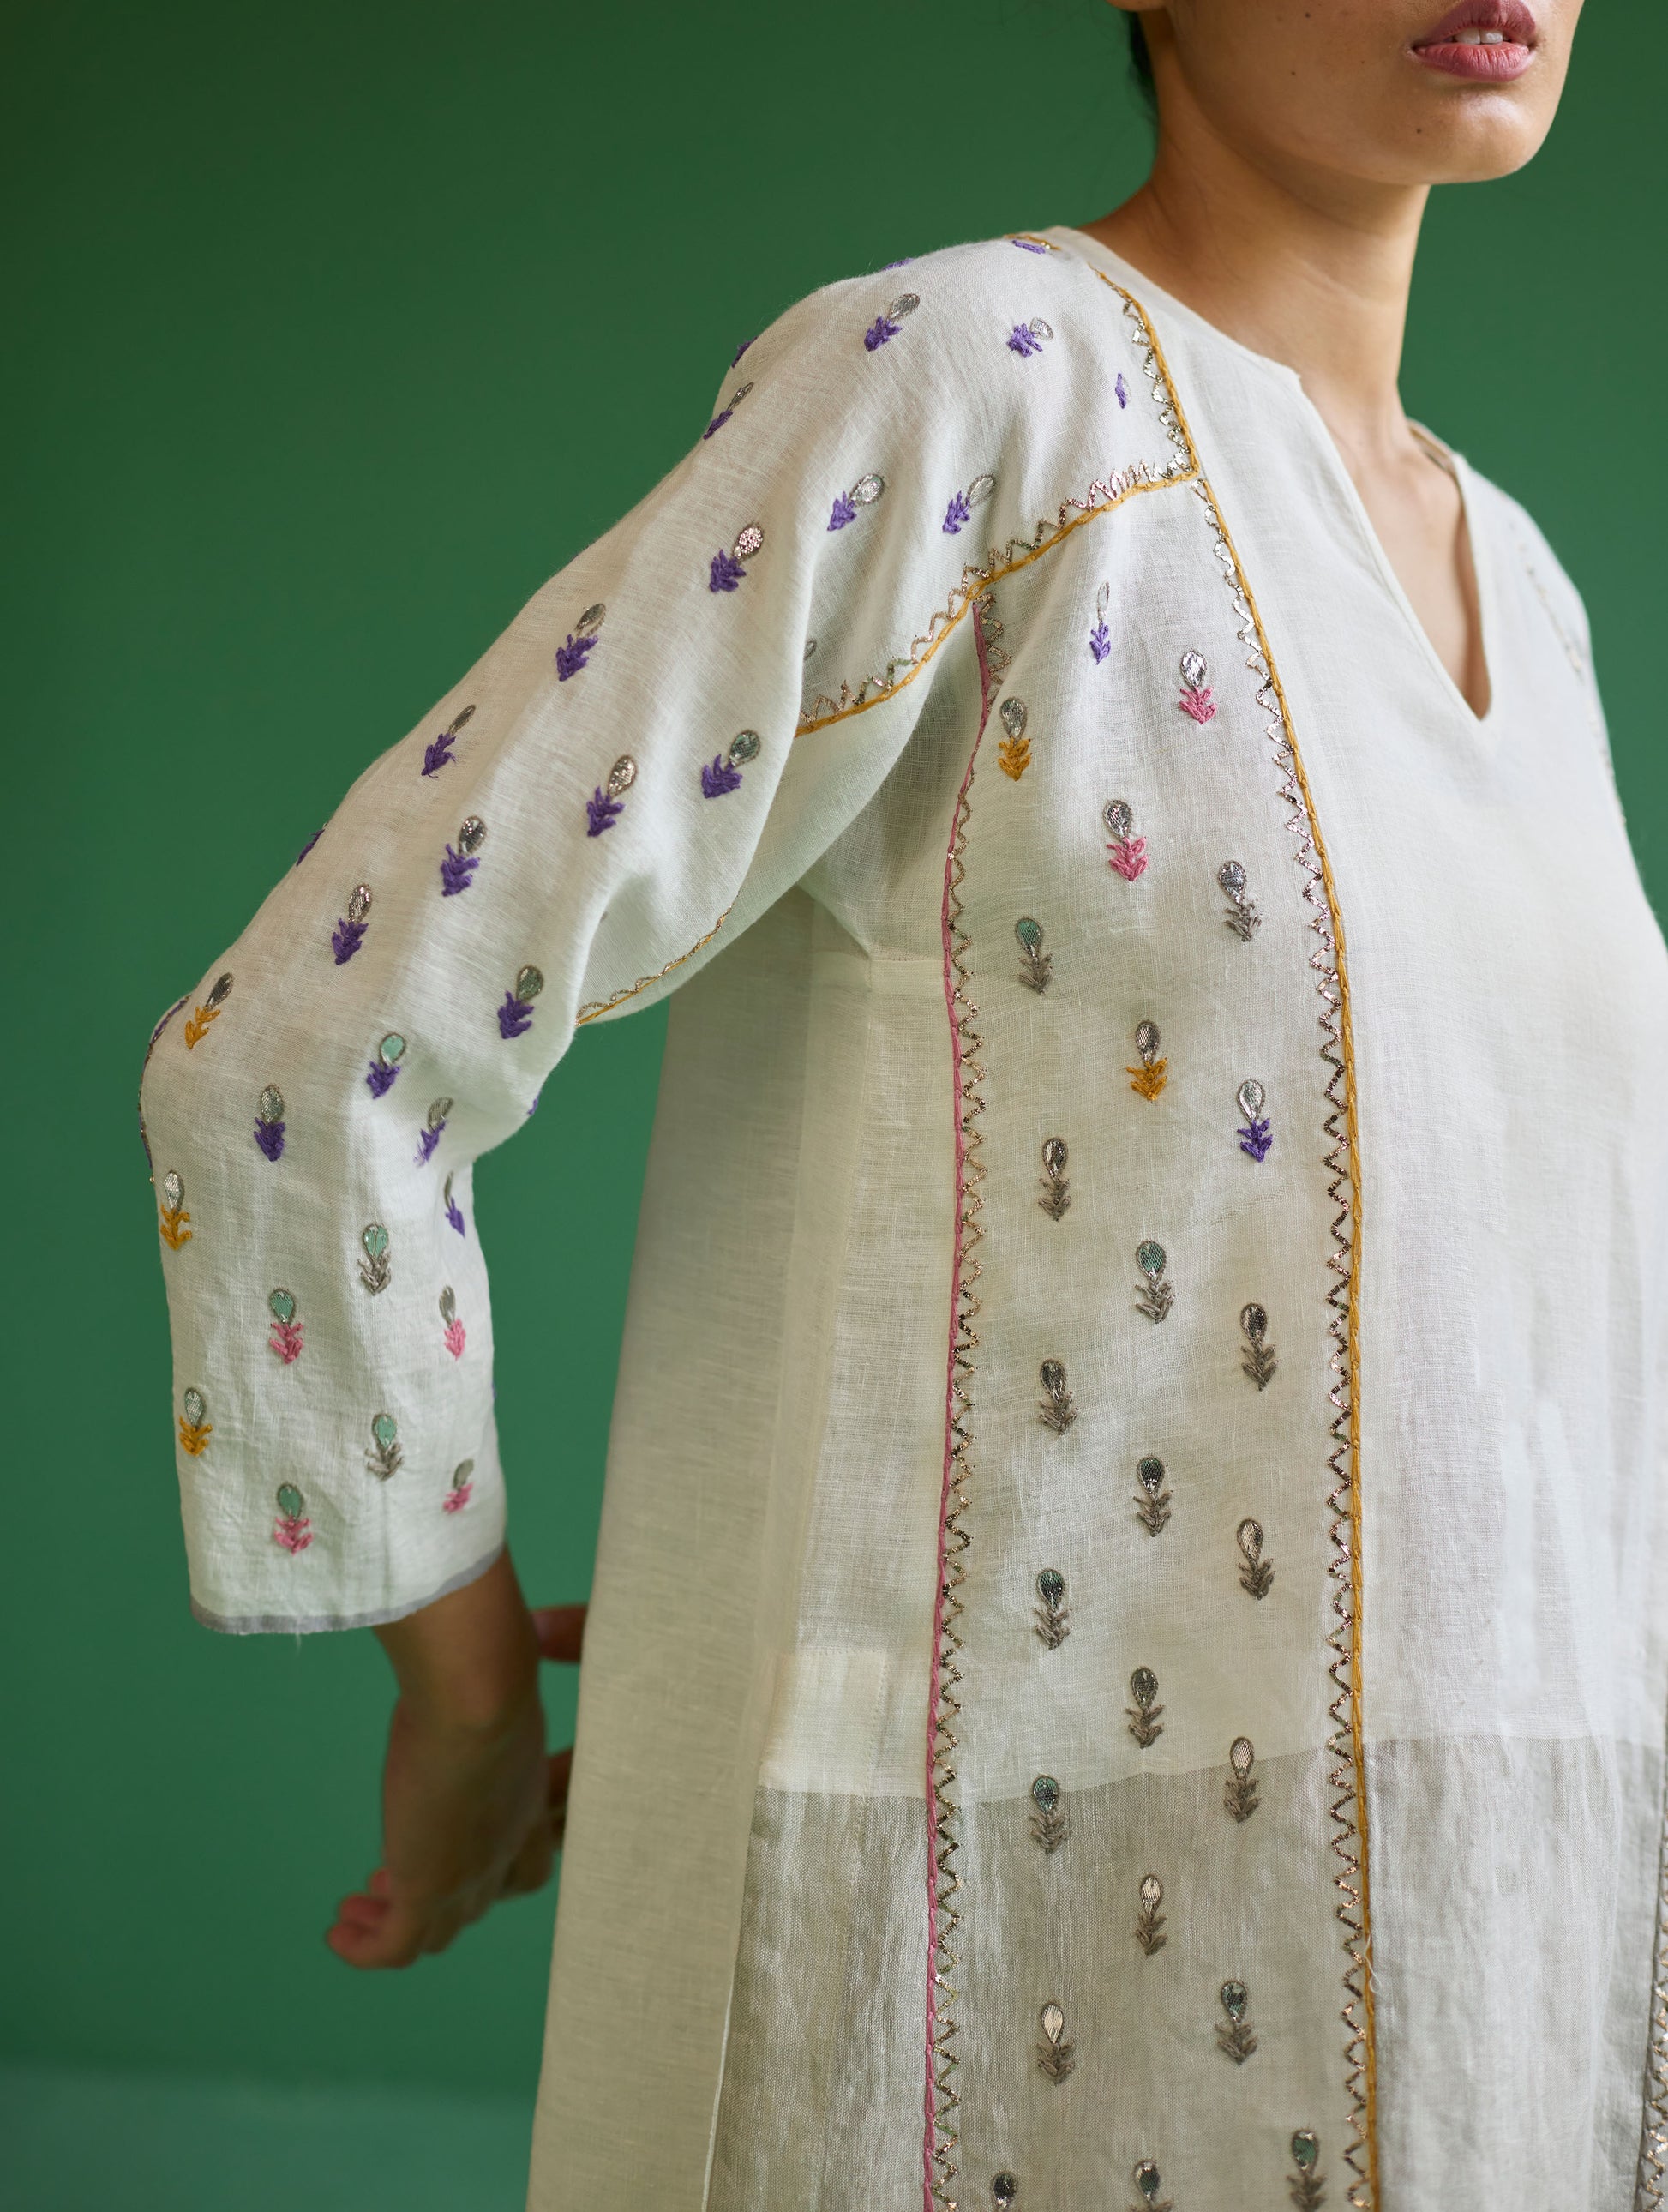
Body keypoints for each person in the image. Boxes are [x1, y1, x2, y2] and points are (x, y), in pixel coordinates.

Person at [140, 0, 1668, 2202]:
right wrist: (466, 1702)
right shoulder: (985, 389)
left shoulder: (1522, 582)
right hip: (1018, 2012)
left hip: (1509, 1991)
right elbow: (309, 1052)